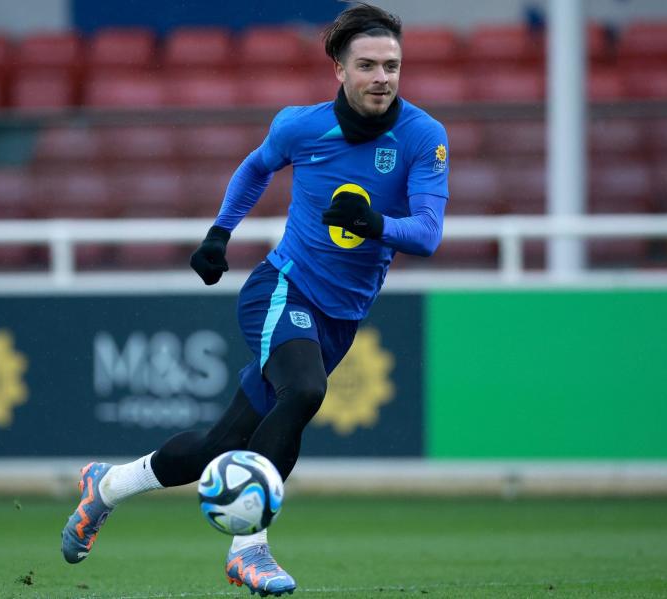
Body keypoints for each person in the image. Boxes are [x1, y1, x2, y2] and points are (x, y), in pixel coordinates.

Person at [61, 2, 449, 596]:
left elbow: (427, 231)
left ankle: (106, 486)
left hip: (341, 318)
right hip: (282, 286)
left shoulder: (424, 136)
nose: (382, 78)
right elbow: (255, 168)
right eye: (367, 65)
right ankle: (250, 551)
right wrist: (220, 233)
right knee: (306, 391)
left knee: (218, 447)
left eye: (392, 66)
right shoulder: (301, 126)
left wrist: (376, 224)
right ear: (339, 71)